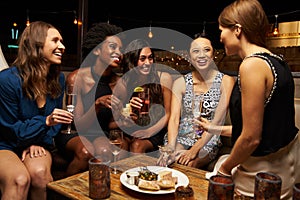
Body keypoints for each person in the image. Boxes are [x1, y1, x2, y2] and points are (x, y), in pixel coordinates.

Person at [214, 0, 299, 198]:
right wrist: (215, 129)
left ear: (237, 29)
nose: (219, 38)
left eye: (221, 30)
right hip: (284, 171)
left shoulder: (251, 65)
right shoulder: (278, 61)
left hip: (258, 176)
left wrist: (225, 169)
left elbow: (251, 138)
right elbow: (268, 124)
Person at [0, 21, 71, 200]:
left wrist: (38, 137)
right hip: (6, 143)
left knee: (40, 174)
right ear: (36, 44)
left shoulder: (58, 79)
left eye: (62, 41)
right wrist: (45, 122)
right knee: (19, 179)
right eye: (55, 41)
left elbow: (55, 125)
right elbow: (10, 129)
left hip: (37, 141)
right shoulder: (8, 80)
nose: (62, 46)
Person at [54, 22, 124, 173]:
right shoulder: (76, 78)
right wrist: (97, 105)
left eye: (120, 49)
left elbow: (112, 125)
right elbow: (79, 125)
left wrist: (127, 119)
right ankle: (64, 193)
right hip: (73, 132)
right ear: (97, 50)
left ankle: (94, 193)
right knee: (85, 152)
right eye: (113, 47)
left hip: (100, 132)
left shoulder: (119, 84)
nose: (119, 52)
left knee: (105, 152)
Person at [157, 33, 235, 168]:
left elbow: (218, 120)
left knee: (189, 163)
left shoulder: (226, 81)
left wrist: (194, 149)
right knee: (170, 161)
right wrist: (170, 147)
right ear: (189, 56)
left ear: (213, 54)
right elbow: (174, 119)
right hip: (182, 134)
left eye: (206, 50)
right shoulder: (180, 82)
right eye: (196, 51)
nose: (201, 55)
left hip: (209, 137)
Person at [112, 39, 173, 154]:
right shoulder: (124, 83)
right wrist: (129, 110)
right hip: (132, 129)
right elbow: (120, 115)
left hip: (156, 129)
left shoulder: (164, 78)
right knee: (120, 145)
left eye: (150, 58)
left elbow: (168, 113)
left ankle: (139, 172)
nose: (148, 63)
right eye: (142, 59)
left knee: (137, 145)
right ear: (133, 61)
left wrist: (149, 131)